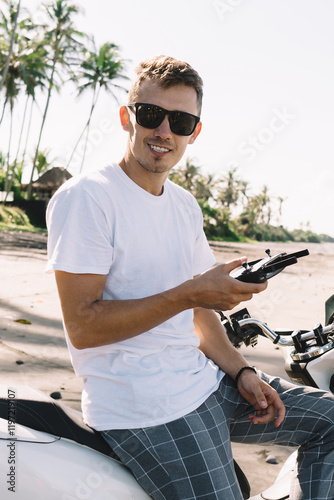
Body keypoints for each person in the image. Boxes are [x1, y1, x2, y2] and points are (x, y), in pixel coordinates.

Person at [46, 55, 334, 500]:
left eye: (179, 121)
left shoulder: (183, 206)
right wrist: (189, 293)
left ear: (193, 132)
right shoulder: (87, 198)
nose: (164, 131)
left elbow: (200, 312)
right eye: (151, 115)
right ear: (127, 118)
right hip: (143, 406)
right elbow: (83, 327)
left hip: (206, 382)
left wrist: (242, 372)